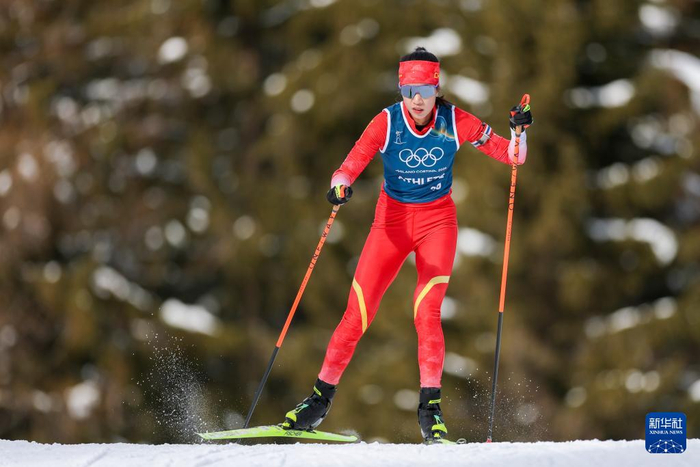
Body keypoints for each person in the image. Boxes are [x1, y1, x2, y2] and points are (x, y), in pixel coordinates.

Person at [281, 47, 533, 443]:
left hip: (438, 224)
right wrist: (340, 185)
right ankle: (317, 403)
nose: (417, 100)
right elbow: (350, 164)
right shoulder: (386, 122)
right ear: (401, 90)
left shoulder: (455, 121)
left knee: (427, 312)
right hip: (390, 224)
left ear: (436, 90)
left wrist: (519, 131)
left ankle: (430, 413)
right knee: (357, 313)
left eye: (425, 91)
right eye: (409, 91)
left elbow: (512, 156)